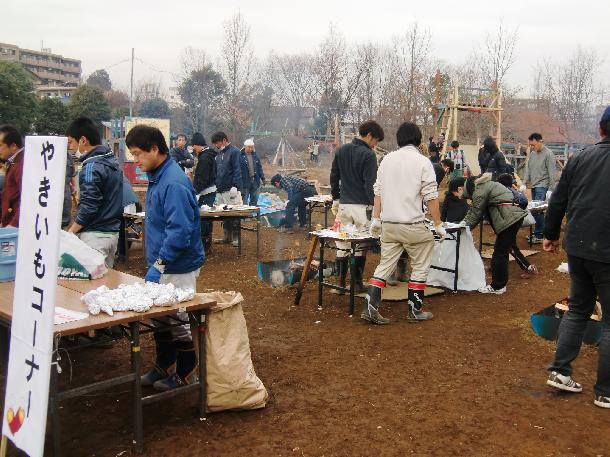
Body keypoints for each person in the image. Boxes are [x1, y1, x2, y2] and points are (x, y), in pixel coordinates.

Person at [126, 124, 205, 391]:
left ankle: (186, 372)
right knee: (160, 317)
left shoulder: (173, 182)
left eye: (138, 154)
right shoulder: (158, 176)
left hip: (177, 265)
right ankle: (165, 363)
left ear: (155, 149)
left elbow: (180, 233)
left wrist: (159, 265)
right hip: (162, 262)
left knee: (177, 318)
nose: (135, 161)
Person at [543, 106, 610, 409]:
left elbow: (558, 199)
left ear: (600, 129)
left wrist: (551, 234)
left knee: (579, 309)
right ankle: (605, 391)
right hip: (606, 250)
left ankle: (560, 371)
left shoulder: (580, 157)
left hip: (579, 246)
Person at [362, 122, 446, 325]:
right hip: (412, 225)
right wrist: (438, 224)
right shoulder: (422, 162)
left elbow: (378, 192)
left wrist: (375, 218)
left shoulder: (386, 160)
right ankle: (414, 310)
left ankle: (370, 308)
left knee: (384, 266)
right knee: (421, 262)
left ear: (399, 139)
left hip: (388, 225)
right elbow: (431, 196)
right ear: (418, 140)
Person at [330, 120, 383, 293]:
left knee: (342, 244)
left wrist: (336, 198)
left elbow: (334, 175)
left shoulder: (342, 150)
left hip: (344, 205)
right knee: (360, 245)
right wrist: (376, 208)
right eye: (375, 141)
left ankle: (339, 284)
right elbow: (371, 186)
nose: (375, 145)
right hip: (363, 207)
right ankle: (356, 283)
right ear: (369, 136)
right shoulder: (368, 155)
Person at [66, 117, 122, 268]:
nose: (70, 147)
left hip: (95, 235)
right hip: (111, 233)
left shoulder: (92, 166)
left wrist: (71, 231)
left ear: (83, 140)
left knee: (91, 287)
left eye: (71, 142)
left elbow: (90, 205)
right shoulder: (111, 161)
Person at [461, 174, 527, 294]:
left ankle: (498, 286)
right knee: (504, 249)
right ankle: (503, 282)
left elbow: (475, 212)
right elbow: (474, 211)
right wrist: (464, 224)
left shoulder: (480, 190)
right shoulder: (486, 185)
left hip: (509, 219)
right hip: (513, 217)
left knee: (499, 253)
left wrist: (462, 228)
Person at [496, 173, 538, 279]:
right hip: (515, 221)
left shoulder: (505, 192)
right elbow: (524, 202)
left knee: (509, 245)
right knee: (501, 245)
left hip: (510, 222)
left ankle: (528, 267)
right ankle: (495, 266)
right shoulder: (515, 191)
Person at [520, 133, 556, 244]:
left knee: (539, 211)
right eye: (530, 145)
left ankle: (539, 235)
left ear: (541, 141)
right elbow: (528, 170)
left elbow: (552, 172)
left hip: (543, 185)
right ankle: (537, 232)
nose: (531, 147)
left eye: (533, 145)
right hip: (534, 185)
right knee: (534, 210)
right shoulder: (532, 154)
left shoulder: (548, 154)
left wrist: (551, 188)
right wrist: (524, 183)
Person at [211, 131, 243, 246]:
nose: (216, 145)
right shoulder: (219, 154)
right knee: (224, 215)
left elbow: (237, 169)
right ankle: (226, 236)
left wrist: (235, 185)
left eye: (217, 143)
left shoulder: (234, 152)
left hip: (230, 189)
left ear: (224, 140)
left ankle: (236, 237)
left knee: (234, 214)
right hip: (220, 189)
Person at [192, 132, 216, 254]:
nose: (194, 149)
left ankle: (204, 246)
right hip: (208, 190)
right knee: (206, 218)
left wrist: (195, 191)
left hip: (206, 191)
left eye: (194, 146)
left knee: (204, 219)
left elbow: (202, 178)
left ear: (197, 145)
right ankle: (206, 244)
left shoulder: (205, 158)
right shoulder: (207, 155)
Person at [0, 125, 24, 228]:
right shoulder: (13, 162)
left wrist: (12, 225)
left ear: (13, 146)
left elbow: (26, 199)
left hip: (15, 228)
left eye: (0, 145)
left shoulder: (20, 165)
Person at [240, 138, 265, 207]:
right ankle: (244, 215)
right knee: (244, 200)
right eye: (249, 147)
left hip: (255, 181)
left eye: (252, 147)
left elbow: (259, 168)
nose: (250, 149)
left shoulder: (255, 156)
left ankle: (252, 215)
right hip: (245, 182)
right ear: (245, 146)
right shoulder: (240, 157)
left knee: (254, 199)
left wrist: (263, 178)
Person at [62, 150, 77, 229]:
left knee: (65, 222)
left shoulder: (68, 156)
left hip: (66, 193)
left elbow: (72, 174)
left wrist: (74, 187)